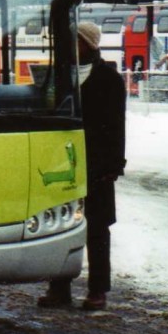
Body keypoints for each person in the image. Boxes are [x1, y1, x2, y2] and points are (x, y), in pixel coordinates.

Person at [38, 21, 127, 311]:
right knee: (60, 224)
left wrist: (114, 164)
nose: (69, 46)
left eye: (74, 41)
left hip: (97, 164)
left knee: (97, 229)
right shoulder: (60, 74)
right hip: (63, 162)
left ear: (88, 43)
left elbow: (117, 126)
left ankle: (98, 290)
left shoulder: (109, 78)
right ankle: (59, 287)